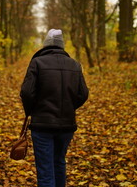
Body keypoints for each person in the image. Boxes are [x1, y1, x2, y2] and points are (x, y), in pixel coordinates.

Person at [20, 29, 89, 187]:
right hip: (67, 126)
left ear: (45, 45)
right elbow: (83, 94)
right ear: (62, 45)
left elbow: (26, 92)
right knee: (59, 162)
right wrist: (70, 107)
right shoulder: (75, 65)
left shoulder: (37, 62)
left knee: (45, 170)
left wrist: (31, 111)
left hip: (42, 126)